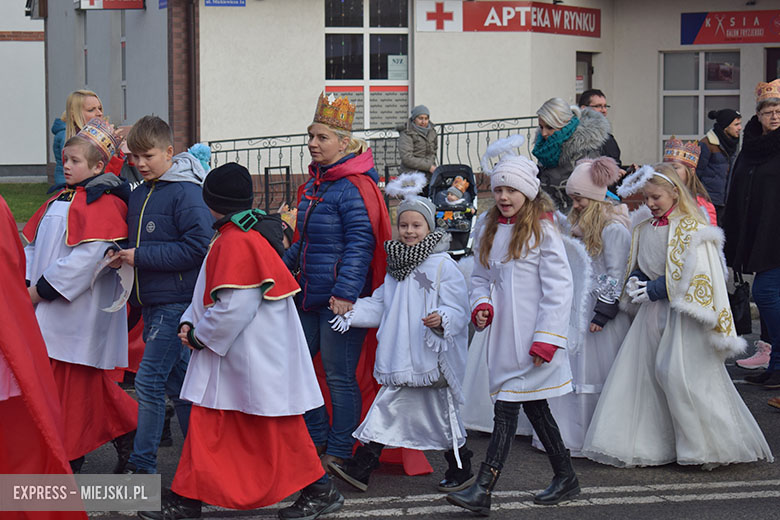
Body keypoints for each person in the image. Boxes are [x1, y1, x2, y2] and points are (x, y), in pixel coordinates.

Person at [138, 163, 342, 520]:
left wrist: (199, 336)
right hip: (243, 357)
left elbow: (234, 306)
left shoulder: (237, 239)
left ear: (210, 202)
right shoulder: (237, 235)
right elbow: (207, 293)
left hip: (248, 357)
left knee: (275, 430)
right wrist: (191, 322)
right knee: (212, 427)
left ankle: (319, 488)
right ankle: (188, 499)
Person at [582, 164, 773, 468]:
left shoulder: (693, 229)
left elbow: (701, 274)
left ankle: (705, 446)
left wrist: (658, 288)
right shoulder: (643, 228)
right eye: (646, 198)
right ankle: (652, 444)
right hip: (650, 317)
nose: (650, 203)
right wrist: (635, 280)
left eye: (656, 197)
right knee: (643, 378)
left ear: (674, 192)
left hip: (683, 318)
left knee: (679, 375)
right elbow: (640, 264)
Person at [447, 143, 579, 515]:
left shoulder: (542, 231)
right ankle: (566, 476)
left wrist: (547, 338)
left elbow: (559, 288)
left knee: (506, 408)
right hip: (505, 339)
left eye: (512, 190)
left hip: (535, 341)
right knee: (535, 409)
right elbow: (479, 278)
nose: (504, 196)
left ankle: (483, 489)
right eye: (499, 189)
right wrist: (482, 305)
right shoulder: (489, 227)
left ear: (528, 193)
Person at [328, 196, 472, 493]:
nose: (409, 231)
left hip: (430, 358)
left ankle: (461, 468)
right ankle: (363, 466)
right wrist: (351, 311)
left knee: (443, 415)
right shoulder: (396, 266)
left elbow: (459, 308)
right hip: (401, 357)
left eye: (416, 225)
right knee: (387, 408)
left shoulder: (443, 266)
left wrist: (443, 318)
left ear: (429, 227)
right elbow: (382, 305)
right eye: (403, 224)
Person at [283, 93, 393, 472]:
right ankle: (316, 438)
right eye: (310, 136)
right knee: (295, 366)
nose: (313, 144)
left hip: (339, 303)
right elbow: (303, 242)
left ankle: (340, 449)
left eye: (322, 138)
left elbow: (362, 245)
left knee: (338, 376)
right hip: (310, 296)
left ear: (344, 143)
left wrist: (346, 294)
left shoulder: (352, 186)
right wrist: (278, 273)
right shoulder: (317, 184)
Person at [22, 118, 137, 473]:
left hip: (77, 314)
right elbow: (34, 243)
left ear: (99, 166)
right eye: (65, 159)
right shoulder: (61, 197)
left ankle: (70, 456)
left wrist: (39, 291)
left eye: (75, 161)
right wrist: (20, 280)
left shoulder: (104, 203)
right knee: (77, 389)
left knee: (71, 390)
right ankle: (128, 430)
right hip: (49, 311)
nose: (66, 165)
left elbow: (89, 259)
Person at [109, 115, 214, 475]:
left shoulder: (186, 192)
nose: (139, 164)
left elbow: (199, 247)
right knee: (178, 385)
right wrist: (119, 252)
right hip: (153, 302)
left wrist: (139, 257)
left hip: (176, 303)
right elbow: (141, 241)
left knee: (149, 380)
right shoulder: (140, 193)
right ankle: (203, 462)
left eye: (148, 156)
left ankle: (143, 469)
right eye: (134, 157)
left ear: (169, 152)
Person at [536, 156, 632, 457]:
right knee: (573, 368)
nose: (575, 204)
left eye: (579, 199)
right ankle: (568, 434)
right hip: (580, 305)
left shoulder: (613, 229)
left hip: (600, 312)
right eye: (573, 198)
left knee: (593, 369)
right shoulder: (582, 225)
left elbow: (615, 275)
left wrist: (603, 311)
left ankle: (593, 434)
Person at [724, 79, 780, 389]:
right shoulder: (749, 148)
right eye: (768, 111)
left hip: (777, 234)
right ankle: (774, 365)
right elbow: (738, 194)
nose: (774, 116)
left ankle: (778, 363)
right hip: (760, 233)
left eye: (779, 110)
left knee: (766, 294)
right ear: (757, 115)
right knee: (771, 294)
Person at [533, 97, 610, 210]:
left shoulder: (585, 152)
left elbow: (592, 197)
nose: (544, 133)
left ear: (565, 124)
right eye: (541, 127)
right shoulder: (544, 149)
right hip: (548, 216)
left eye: (550, 127)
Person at [697, 109, 741, 226]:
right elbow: (696, 173)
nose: (740, 128)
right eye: (736, 124)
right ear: (726, 126)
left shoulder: (733, 144)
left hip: (726, 200)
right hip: (709, 200)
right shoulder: (706, 144)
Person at [662, 137, 717, 226]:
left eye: (675, 167)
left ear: (691, 171)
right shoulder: (659, 199)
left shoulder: (702, 205)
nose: (670, 171)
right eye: (667, 167)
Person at [578, 89, 621, 167]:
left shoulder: (607, 136)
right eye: (598, 106)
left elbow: (616, 163)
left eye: (605, 106)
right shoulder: (578, 136)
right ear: (584, 109)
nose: (604, 110)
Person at [398, 105, 438, 180]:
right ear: (414, 119)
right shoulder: (407, 133)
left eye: (426, 119)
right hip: (411, 174)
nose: (423, 122)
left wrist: (430, 165)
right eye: (420, 118)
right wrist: (428, 166)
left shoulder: (432, 132)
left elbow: (433, 151)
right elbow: (407, 158)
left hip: (429, 174)